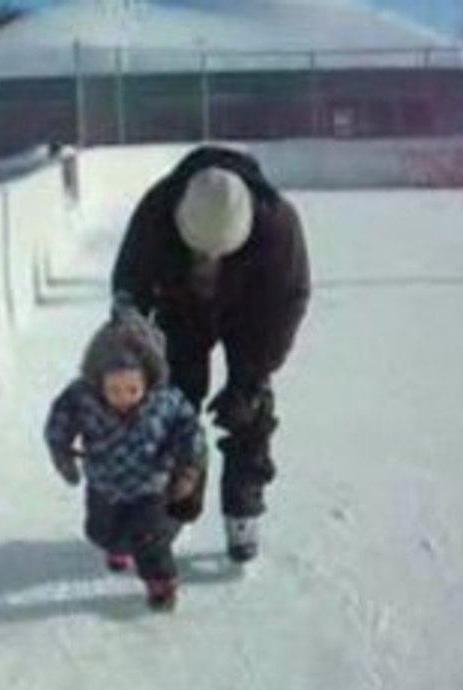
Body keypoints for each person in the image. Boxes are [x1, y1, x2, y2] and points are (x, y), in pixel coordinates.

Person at [111, 145, 311, 563]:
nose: (208, 262)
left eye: (218, 253)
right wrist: (131, 330)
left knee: (250, 410)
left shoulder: (278, 224)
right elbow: (130, 280)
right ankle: (174, 505)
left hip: (249, 311)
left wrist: (252, 378)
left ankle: (243, 508)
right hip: (180, 307)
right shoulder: (159, 206)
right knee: (172, 404)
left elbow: (287, 305)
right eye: (200, 252)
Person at [44, 309, 207, 610]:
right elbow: (59, 421)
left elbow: (189, 429)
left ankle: (161, 583)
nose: (123, 397)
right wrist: (62, 454)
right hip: (104, 482)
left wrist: (187, 468)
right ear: (99, 382)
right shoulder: (82, 398)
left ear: (147, 380)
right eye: (114, 389)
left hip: (150, 483)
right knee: (100, 531)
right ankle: (117, 545)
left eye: (132, 389)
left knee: (149, 539)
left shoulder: (165, 401)